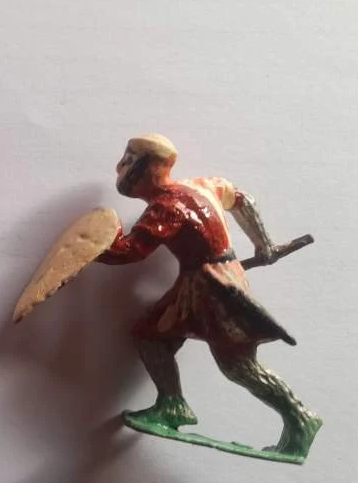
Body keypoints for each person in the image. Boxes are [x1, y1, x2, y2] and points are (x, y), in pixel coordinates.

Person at [97, 134, 321, 457]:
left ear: (149, 168)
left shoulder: (165, 207)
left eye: (129, 160)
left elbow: (129, 251)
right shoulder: (201, 186)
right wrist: (264, 244)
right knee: (151, 336)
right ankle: (172, 406)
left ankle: (300, 418)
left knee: (237, 365)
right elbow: (241, 198)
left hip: (212, 287)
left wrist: (95, 243)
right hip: (206, 281)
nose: (120, 167)